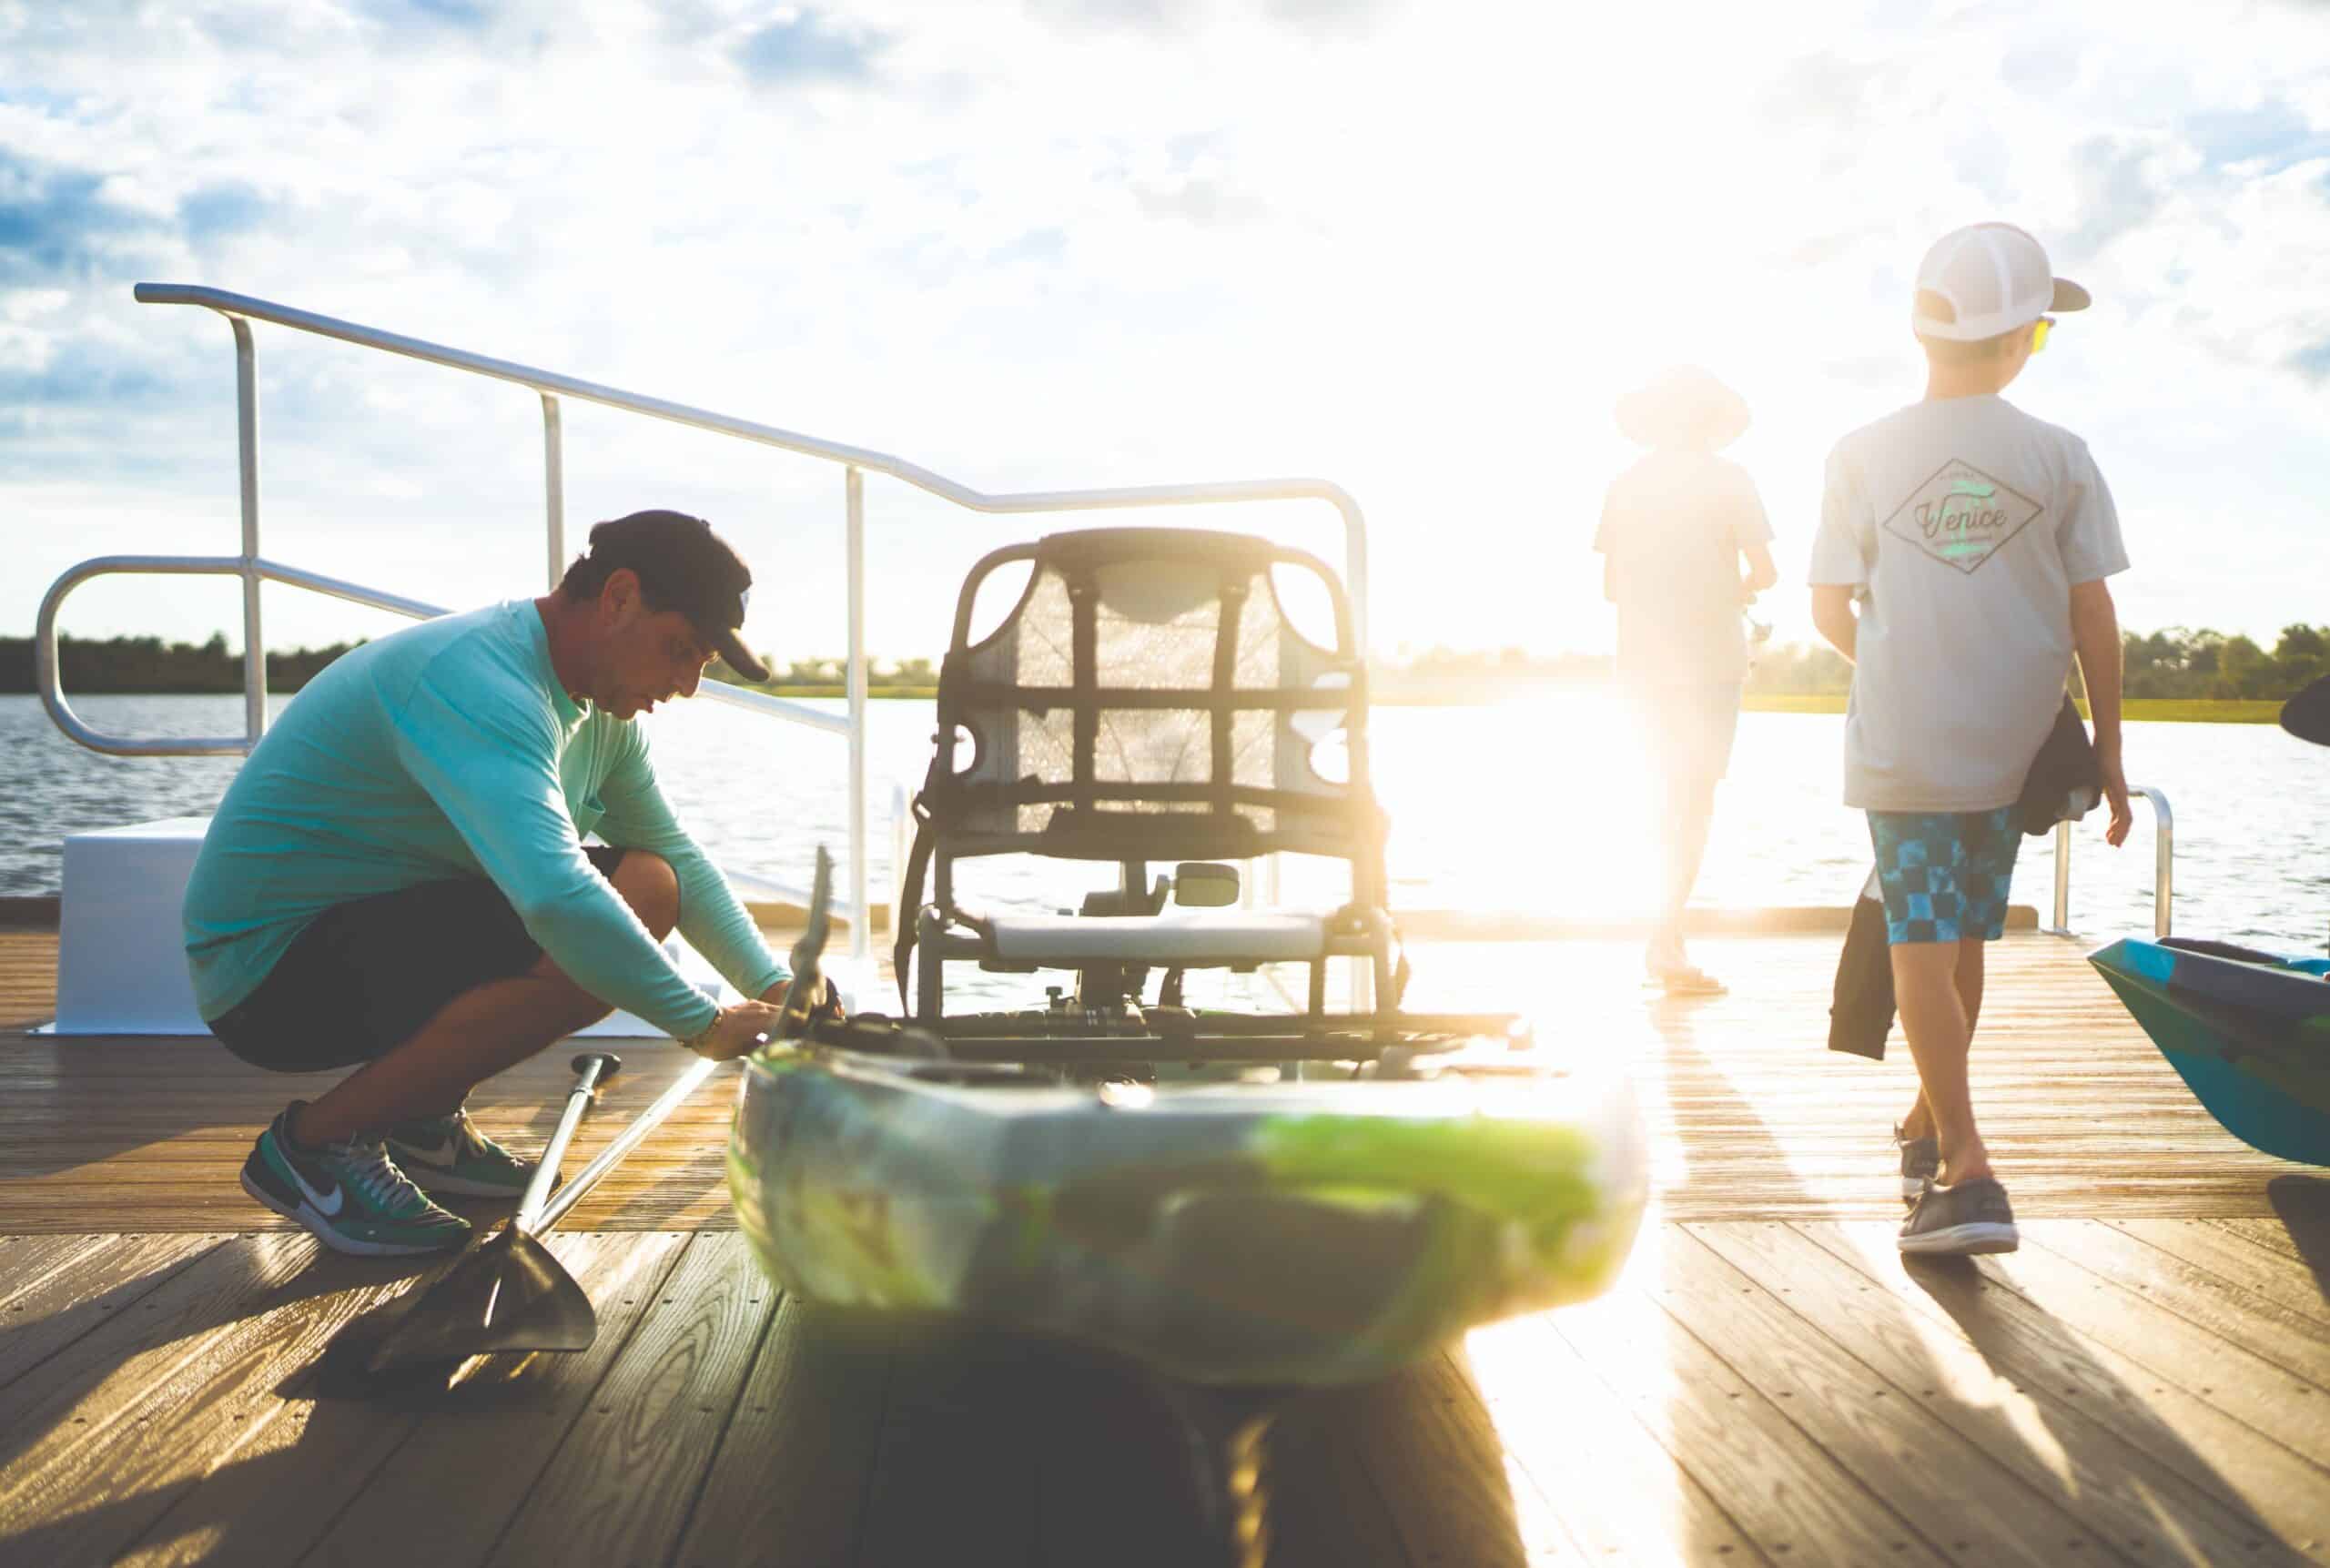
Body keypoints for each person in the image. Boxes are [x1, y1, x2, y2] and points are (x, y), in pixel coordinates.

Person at [183, 510, 823, 1257]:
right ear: (617, 598)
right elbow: (554, 896)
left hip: (362, 927)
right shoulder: (483, 680)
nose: (685, 685)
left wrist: (779, 988)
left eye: (702, 664)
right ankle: (316, 1145)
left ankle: (424, 1121)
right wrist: (706, 1026)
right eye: (680, 650)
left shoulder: (602, 710)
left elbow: (672, 852)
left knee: (652, 879)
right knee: (605, 914)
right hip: (265, 972)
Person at [1808, 223, 2132, 1257]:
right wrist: (2114, 758)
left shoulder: (1858, 453)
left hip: (1903, 744)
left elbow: (1826, 607)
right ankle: (1940, 1136)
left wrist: (1901, 666)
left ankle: (1961, 1158)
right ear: (2018, 343)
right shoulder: (2059, 456)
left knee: (1925, 939)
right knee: (1958, 942)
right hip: (2012, 743)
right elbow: (2093, 619)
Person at [1596, 365, 1778, 994]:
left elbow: (1610, 585)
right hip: (1709, 663)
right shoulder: (1730, 480)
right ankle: (1666, 940)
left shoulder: (1625, 484)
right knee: (1693, 801)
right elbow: (1766, 570)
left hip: (1642, 662)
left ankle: (1662, 935)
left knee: (1654, 795)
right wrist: (1732, 588)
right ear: (1709, 422)